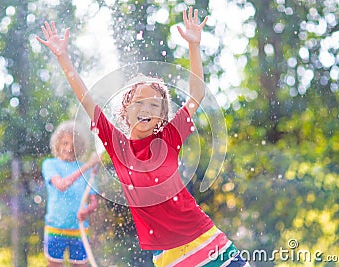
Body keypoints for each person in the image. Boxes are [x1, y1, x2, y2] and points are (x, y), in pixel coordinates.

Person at [37, 7, 249, 267]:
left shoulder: (170, 136)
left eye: (154, 105)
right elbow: (86, 98)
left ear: (162, 116)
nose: (147, 110)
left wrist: (194, 46)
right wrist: (63, 58)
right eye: (140, 103)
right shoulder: (117, 146)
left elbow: (197, 95)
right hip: (169, 257)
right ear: (125, 111)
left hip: (207, 241)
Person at [42, 120, 99, 267]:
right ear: (58, 144)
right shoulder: (50, 164)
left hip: (79, 229)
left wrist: (87, 211)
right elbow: (61, 185)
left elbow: (94, 202)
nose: (69, 148)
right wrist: (88, 165)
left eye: (73, 144)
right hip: (55, 227)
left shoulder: (87, 171)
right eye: (65, 143)